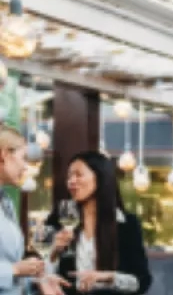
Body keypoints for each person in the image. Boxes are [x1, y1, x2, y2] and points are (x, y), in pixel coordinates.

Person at [46, 151, 152, 295]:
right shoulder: (59, 218)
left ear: (100, 177)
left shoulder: (126, 224)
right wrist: (53, 251)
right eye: (69, 176)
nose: (71, 181)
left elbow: (142, 281)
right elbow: (38, 272)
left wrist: (108, 277)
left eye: (78, 175)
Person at [0, 126, 46, 295]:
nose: (26, 167)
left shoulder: (6, 201)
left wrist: (36, 281)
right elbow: (12, 268)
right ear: (4, 155)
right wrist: (15, 270)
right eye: (23, 158)